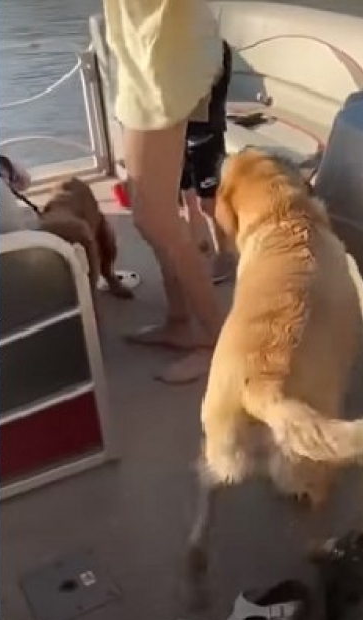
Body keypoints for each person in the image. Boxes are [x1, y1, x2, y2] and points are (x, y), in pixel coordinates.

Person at [103, 0, 225, 384]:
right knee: (146, 215)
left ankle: (213, 340)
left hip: (165, 71)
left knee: (158, 219)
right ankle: (179, 320)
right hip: (148, 65)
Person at [180, 39, 235, 285]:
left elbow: (210, 86)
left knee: (209, 202)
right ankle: (198, 249)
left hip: (206, 133)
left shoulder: (214, 47)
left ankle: (225, 255)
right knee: (187, 197)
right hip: (178, 133)